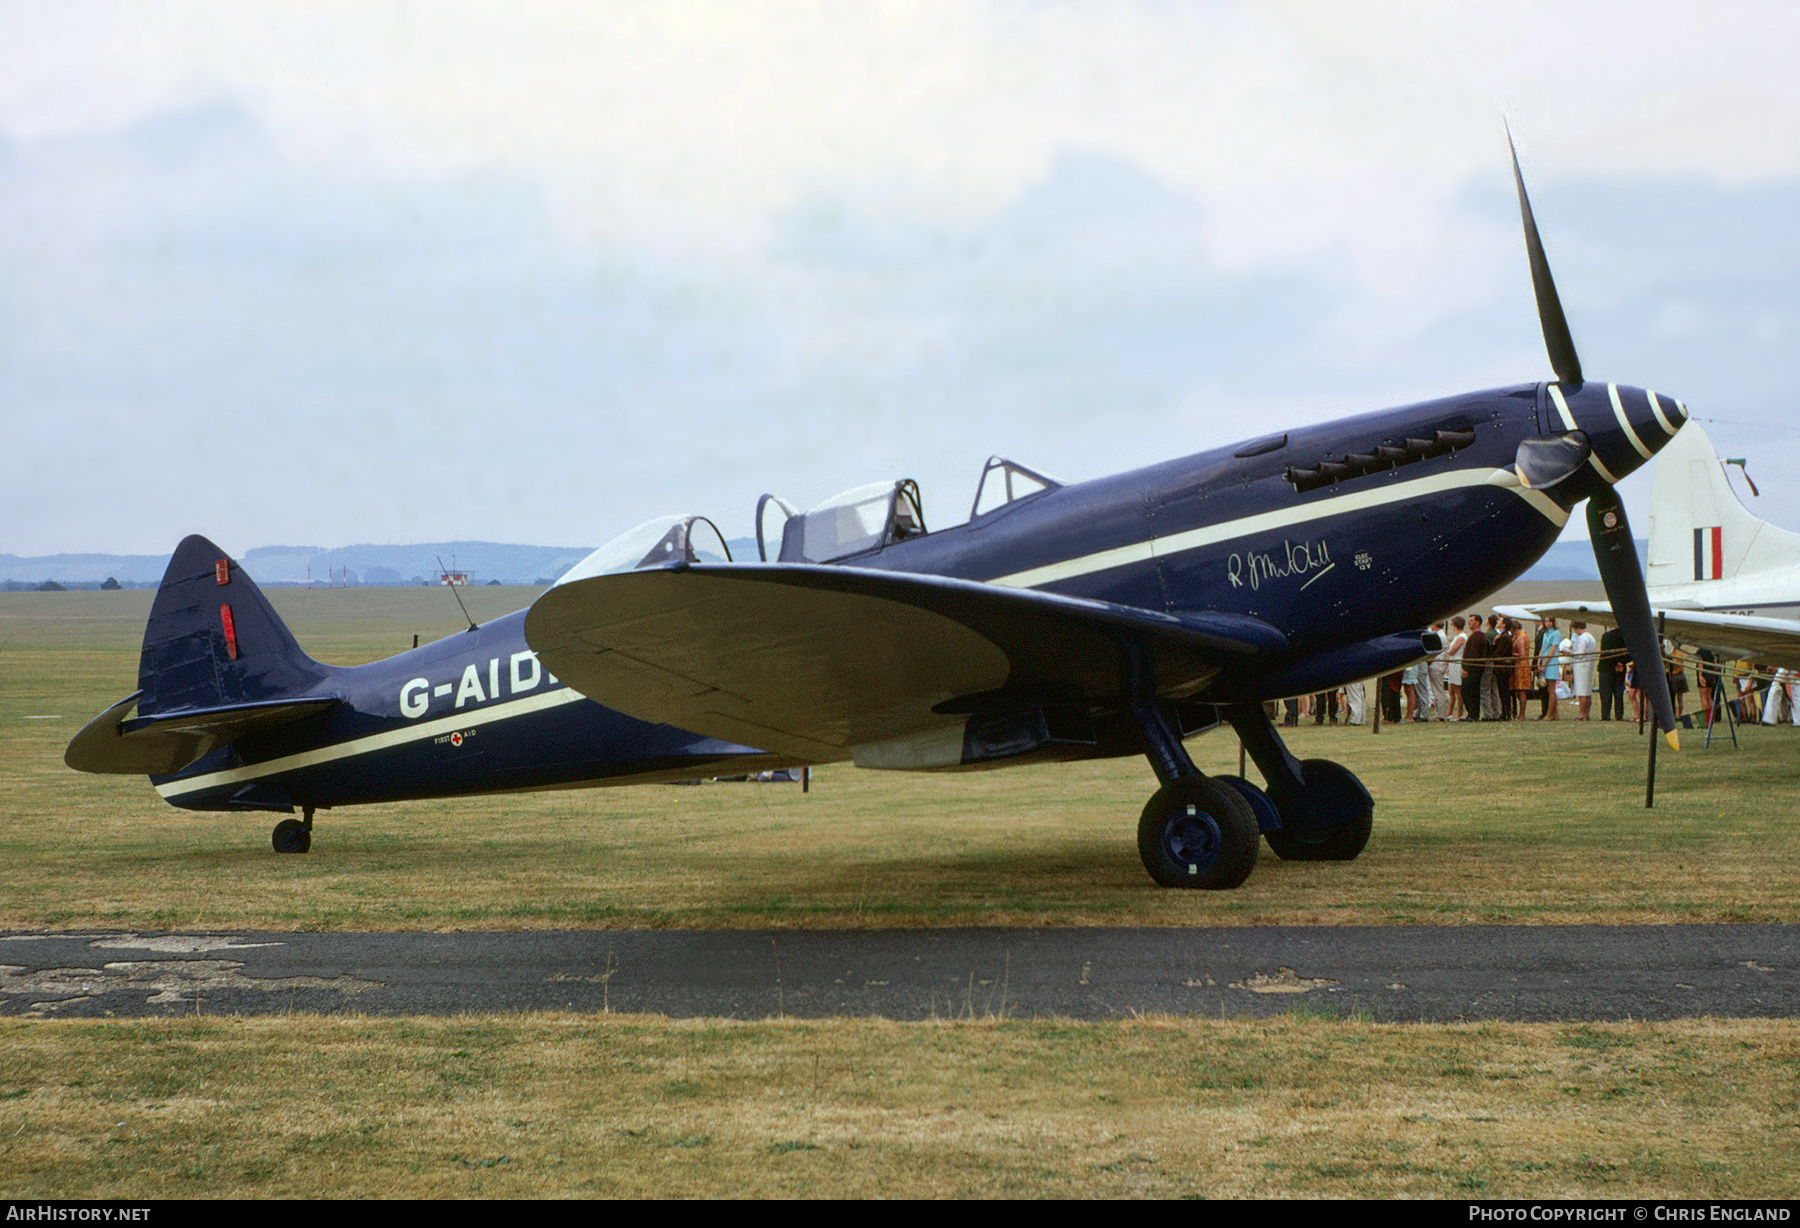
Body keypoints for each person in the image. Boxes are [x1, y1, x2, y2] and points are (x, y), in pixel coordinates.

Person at [1597, 623, 1627, 722]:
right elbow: (1629, 652)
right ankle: (1619, 715)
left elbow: (1605, 651)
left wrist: (1615, 663)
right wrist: (1621, 663)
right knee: (1618, 693)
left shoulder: (1606, 636)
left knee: (1606, 693)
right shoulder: (1625, 636)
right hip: (1620, 669)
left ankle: (1605, 715)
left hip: (1606, 667)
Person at [1461, 614, 1488, 721]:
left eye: (1472, 620)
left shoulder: (1478, 636)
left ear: (1477, 622)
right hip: (1474, 668)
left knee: (1468, 691)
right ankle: (1472, 714)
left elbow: (1473, 654)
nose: (1469, 622)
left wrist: (1466, 668)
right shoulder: (1475, 635)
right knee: (1470, 691)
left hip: (1473, 669)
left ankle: (1473, 714)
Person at [1570, 620, 1597, 720]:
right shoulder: (1590, 637)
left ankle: (1582, 714)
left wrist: (1570, 653)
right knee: (1587, 691)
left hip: (1582, 666)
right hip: (1588, 665)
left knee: (1582, 692)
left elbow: (1580, 654)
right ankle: (1586, 714)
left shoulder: (1582, 638)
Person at [1445, 615, 1468, 721]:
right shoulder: (1456, 637)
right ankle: (1449, 713)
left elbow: (1453, 650)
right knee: (1451, 690)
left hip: (1457, 662)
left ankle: (1459, 713)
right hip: (1453, 664)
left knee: (1458, 690)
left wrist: (1446, 653)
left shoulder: (1461, 637)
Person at [1538, 617, 1561, 720]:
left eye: (1549, 621)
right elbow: (1542, 648)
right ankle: (1554, 714)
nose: (1547, 623)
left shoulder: (1556, 633)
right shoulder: (1546, 633)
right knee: (1547, 687)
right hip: (1544, 661)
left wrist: (1545, 663)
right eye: (1546, 621)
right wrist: (1539, 661)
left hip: (1551, 663)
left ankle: (1550, 714)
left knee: (1551, 688)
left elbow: (1552, 650)